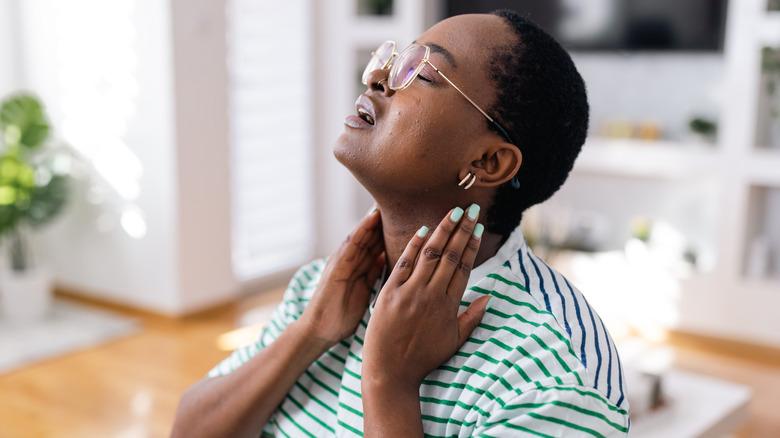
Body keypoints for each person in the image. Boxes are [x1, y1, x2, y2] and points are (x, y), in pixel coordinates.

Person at [172, 9, 629, 437]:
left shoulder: (553, 377)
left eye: (421, 73)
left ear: (488, 160)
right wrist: (309, 333)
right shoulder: (328, 287)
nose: (376, 77)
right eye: (395, 60)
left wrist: (389, 383)